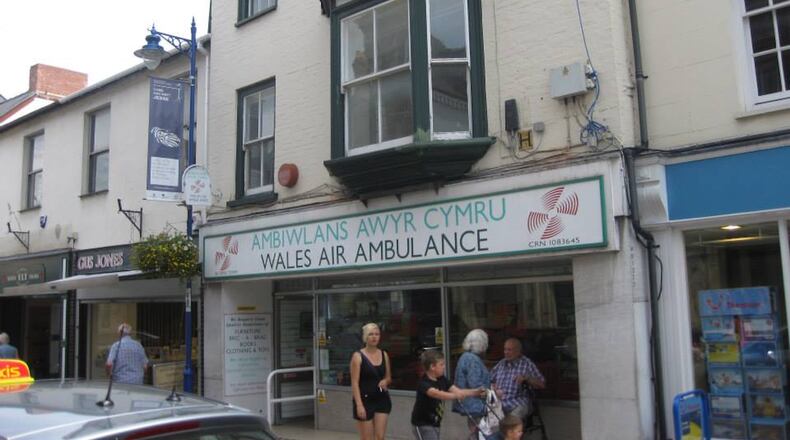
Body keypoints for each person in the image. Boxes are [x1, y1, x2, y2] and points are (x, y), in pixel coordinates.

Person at [411, 349, 484, 440]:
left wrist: (476, 392)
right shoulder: (424, 383)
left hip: (435, 422)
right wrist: (456, 396)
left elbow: (457, 391)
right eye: (441, 364)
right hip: (422, 423)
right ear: (432, 367)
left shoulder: (442, 379)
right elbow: (437, 394)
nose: (444, 367)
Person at [350, 323, 392, 440]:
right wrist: (359, 405)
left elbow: (389, 377)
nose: (374, 337)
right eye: (371, 334)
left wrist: (385, 381)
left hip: (381, 398)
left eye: (377, 334)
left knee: (380, 437)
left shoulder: (384, 354)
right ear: (365, 337)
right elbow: (354, 383)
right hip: (365, 400)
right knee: (366, 438)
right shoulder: (357, 356)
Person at [452, 329, 494, 439]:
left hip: (469, 403)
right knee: (481, 433)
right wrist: (492, 394)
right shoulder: (472, 359)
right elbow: (475, 384)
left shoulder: (465, 357)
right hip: (475, 404)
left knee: (475, 432)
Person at [491, 338, 545, 420]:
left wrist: (527, 378)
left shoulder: (527, 364)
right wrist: (493, 386)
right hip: (499, 402)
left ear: (518, 351)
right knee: (482, 412)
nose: (506, 352)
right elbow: (489, 379)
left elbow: (541, 384)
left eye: (509, 350)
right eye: (505, 349)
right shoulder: (501, 363)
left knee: (511, 422)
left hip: (517, 403)